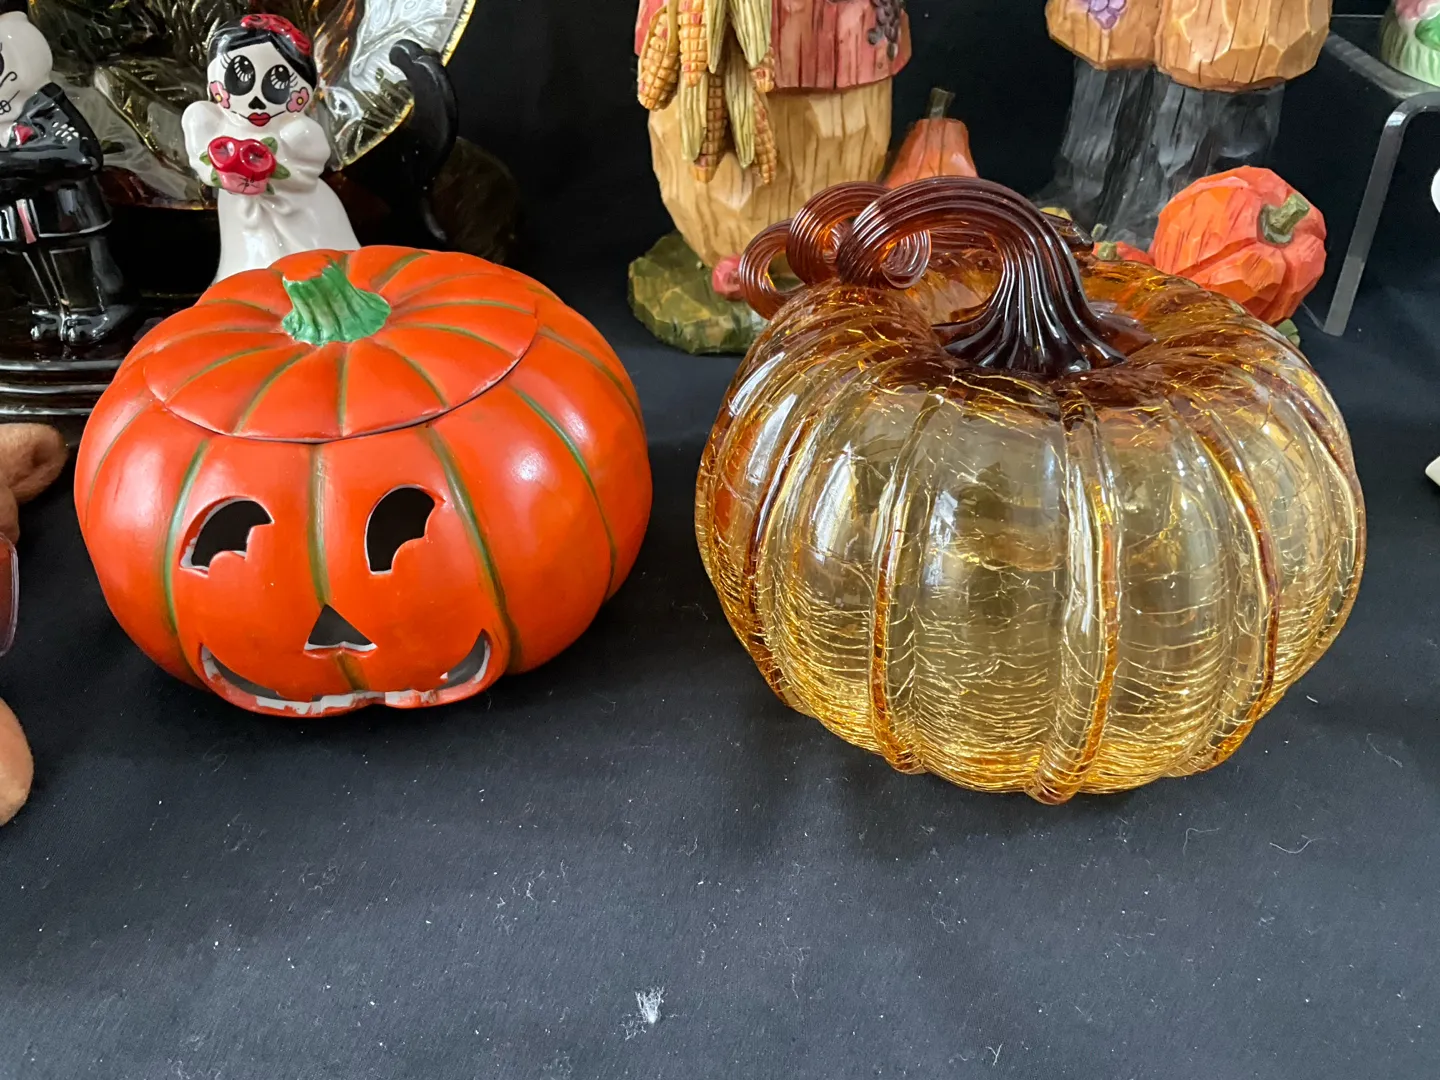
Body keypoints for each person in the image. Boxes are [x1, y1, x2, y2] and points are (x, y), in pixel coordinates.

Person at [182, 13, 358, 282]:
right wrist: (227, 173)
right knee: (248, 261)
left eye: (277, 84)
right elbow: (203, 165)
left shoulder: (299, 131)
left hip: (301, 210)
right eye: (240, 78)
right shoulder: (208, 120)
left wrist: (268, 173)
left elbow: (309, 173)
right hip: (241, 212)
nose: (256, 101)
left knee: (319, 265)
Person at [0, 5, 133, 346]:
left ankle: (95, 310)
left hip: (66, 215)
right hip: (16, 221)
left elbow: (80, 155)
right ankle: (47, 311)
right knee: (31, 265)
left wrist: (11, 162)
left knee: (75, 267)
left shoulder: (47, 109)